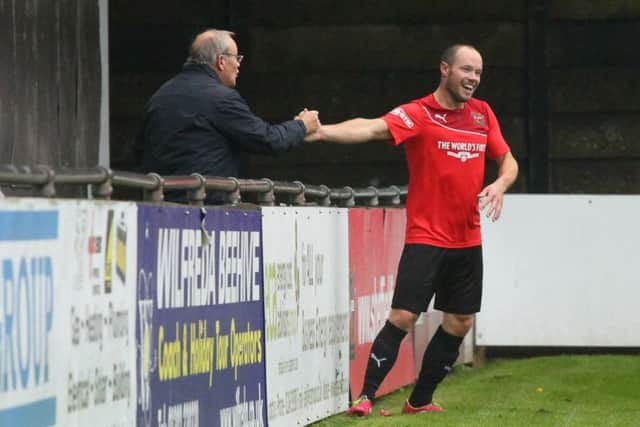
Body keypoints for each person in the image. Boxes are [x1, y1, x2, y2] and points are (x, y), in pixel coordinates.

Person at [308, 44, 518, 415]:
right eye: (466, 70)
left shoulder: (482, 115)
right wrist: (322, 132)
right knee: (404, 316)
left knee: (461, 321)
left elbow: (508, 160)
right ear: (444, 69)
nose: (473, 79)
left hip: (468, 240)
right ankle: (366, 396)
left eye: (478, 73)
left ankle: (419, 400)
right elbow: (371, 127)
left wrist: (500, 184)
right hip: (426, 236)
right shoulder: (420, 114)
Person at [134, 29, 319, 203]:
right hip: (204, 208)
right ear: (221, 61)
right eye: (236, 58)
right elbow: (268, 140)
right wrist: (302, 126)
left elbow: (139, 151)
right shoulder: (221, 99)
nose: (238, 65)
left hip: (158, 207)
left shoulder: (160, 95)